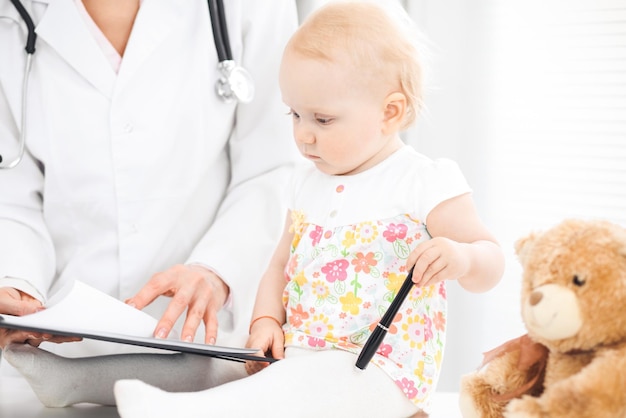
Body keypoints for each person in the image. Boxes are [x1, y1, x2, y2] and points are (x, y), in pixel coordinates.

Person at [111, 2, 506, 417]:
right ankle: (76, 381)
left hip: (379, 370)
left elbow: (490, 261)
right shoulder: (304, 183)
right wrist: (264, 321)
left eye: (322, 119)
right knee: (212, 363)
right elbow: (279, 264)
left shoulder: (421, 181)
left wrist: (461, 258)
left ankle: (179, 412)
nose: (302, 135)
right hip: (300, 355)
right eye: (294, 114)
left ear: (390, 112)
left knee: (297, 388)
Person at [0, 0, 299, 405]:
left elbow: (275, 165)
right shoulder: (11, 16)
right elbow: (11, 193)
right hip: (49, 342)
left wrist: (216, 270)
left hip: (213, 340)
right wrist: (15, 282)